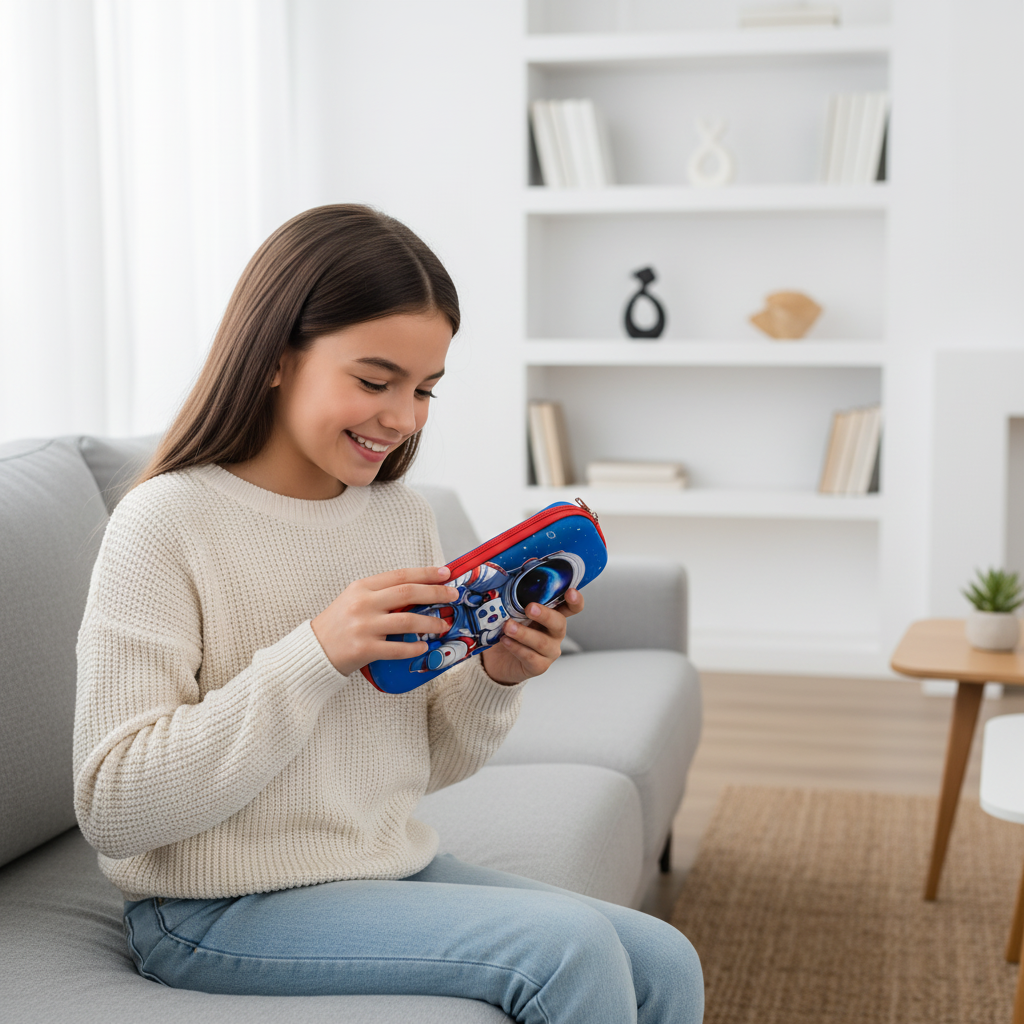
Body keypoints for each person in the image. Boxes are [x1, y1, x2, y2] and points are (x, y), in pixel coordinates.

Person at [72, 204, 704, 1024]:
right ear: (273, 356)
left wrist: (493, 677)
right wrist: (314, 654)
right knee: (570, 955)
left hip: (372, 869)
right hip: (209, 908)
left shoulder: (396, 518)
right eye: (375, 381)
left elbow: (420, 764)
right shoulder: (165, 524)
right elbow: (115, 807)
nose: (404, 418)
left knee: (663, 960)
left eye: (425, 389)